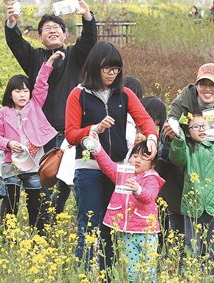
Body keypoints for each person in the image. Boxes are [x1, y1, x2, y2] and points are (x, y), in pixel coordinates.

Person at [65, 41, 157, 270]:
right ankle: (83, 273)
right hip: (88, 169)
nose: (112, 74)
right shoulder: (78, 95)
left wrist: (151, 138)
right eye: (108, 69)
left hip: (118, 171)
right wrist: (94, 129)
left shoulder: (123, 94)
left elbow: (145, 120)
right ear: (96, 66)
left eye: (116, 69)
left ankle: (107, 274)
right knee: (88, 226)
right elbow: (70, 133)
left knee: (111, 227)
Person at [5, 0, 96, 220]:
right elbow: (16, 44)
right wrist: (11, 23)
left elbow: (89, 41)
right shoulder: (34, 57)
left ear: (65, 34)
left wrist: (87, 16)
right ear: (40, 37)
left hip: (72, 130)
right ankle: (43, 225)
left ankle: (51, 221)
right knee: (44, 179)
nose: (52, 31)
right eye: (47, 29)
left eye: (57, 28)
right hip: (42, 131)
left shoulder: (75, 55)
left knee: (66, 182)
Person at [158, 63, 214, 238]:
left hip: (211, 166)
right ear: (196, 85)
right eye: (203, 84)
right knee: (180, 222)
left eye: (213, 85)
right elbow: (167, 128)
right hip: (181, 166)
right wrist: (171, 133)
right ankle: (181, 259)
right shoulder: (183, 101)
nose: (207, 89)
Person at [0, 51, 64, 230]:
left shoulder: (35, 105)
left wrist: (50, 62)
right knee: (11, 204)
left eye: (25, 90)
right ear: (10, 94)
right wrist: (8, 144)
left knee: (35, 204)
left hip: (34, 163)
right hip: (12, 164)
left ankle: (37, 237)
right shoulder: (4, 112)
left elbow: (40, 84)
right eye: (18, 91)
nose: (22, 95)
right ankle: (8, 237)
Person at [89, 134, 164, 283]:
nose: (137, 160)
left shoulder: (152, 177)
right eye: (135, 156)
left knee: (148, 272)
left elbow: (149, 196)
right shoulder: (123, 173)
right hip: (127, 232)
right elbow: (108, 166)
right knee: (131, 271)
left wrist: (138, 190)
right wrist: (97, 147)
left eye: (143, 157)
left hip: (146, 232)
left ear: (153, 163)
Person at [169, 113, 214, 267]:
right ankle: (192, 275)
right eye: (195, 127)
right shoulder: (186, 149)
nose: (201, 129)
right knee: (192, 248)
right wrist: (178, 136)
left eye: (204, 126)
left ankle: (213, 277)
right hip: (193, 205)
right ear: (188, 132)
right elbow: (177, 157)